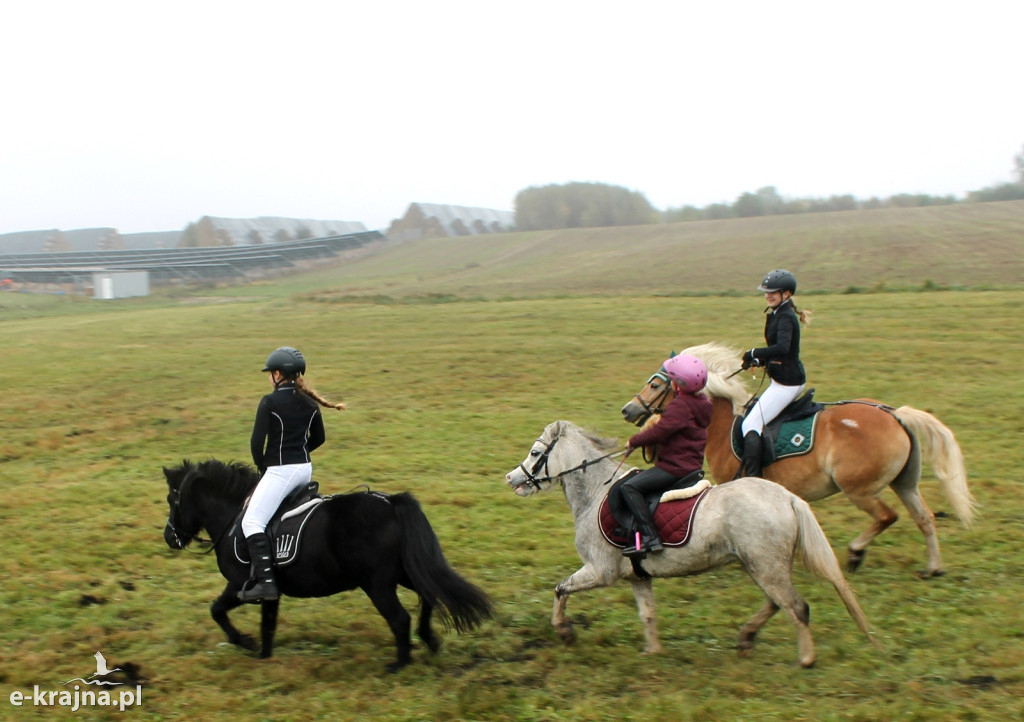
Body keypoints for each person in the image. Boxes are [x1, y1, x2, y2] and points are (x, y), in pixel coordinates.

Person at [238, 346, 346, 602]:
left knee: (251, 522)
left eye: (269, 373)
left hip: (280, 471)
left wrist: (264, 467)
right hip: (304, 469)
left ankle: (266, 584)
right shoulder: (309, 402)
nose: (269, 377)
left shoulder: (269, 402)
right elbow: (319, 438)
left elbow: (256, 444)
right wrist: (298, 452)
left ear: (277, 374)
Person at [621, 354, 712, 557]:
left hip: (674, 468)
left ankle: (650, 537)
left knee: (630, 487)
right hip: (692, 465)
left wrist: (634, 441)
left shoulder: (680, 406)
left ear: (678, 383)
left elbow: (660, 431)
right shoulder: (702, 402)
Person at [739, 269, 812, 478]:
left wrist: (755, 352)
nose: (768, 295)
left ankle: (753, 478)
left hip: (787, 383)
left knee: (751, 424)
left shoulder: (786, 316)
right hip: (782, 378)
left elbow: (782, 348)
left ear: (786, 294)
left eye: (773, 292)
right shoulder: (778, 313)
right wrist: (759, 360)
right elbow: (780, 351)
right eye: (766, 291)